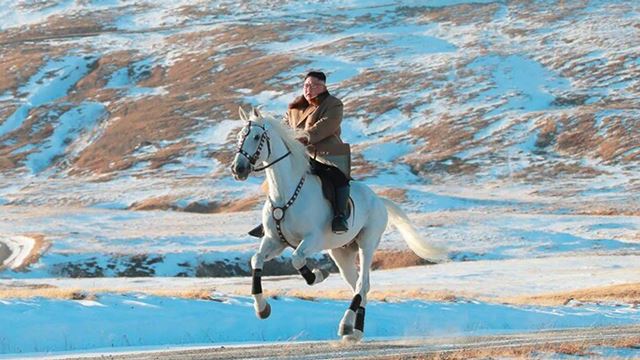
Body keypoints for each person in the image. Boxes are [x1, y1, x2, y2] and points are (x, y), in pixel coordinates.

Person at [249, 71, 351, 237]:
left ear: (323, 87)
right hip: (299, 155)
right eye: (305, 85)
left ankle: (340, 216)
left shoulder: (333, 104)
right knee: (275, 179)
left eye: (313, 85)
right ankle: (272, 219)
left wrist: (305, 137)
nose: (308, 89)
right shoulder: (294, 108)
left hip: (325, 154)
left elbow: (326, 125)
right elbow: (284, 128)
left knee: (337, 178)